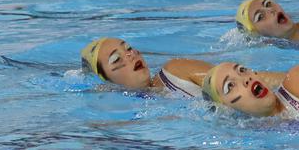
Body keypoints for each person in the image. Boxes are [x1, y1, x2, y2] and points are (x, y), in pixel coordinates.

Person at [80, 37, 211, 97]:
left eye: (128, 48)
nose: (131, 54)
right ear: (105, 83)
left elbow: (226, 78)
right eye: (116, 59)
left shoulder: (175, 71)